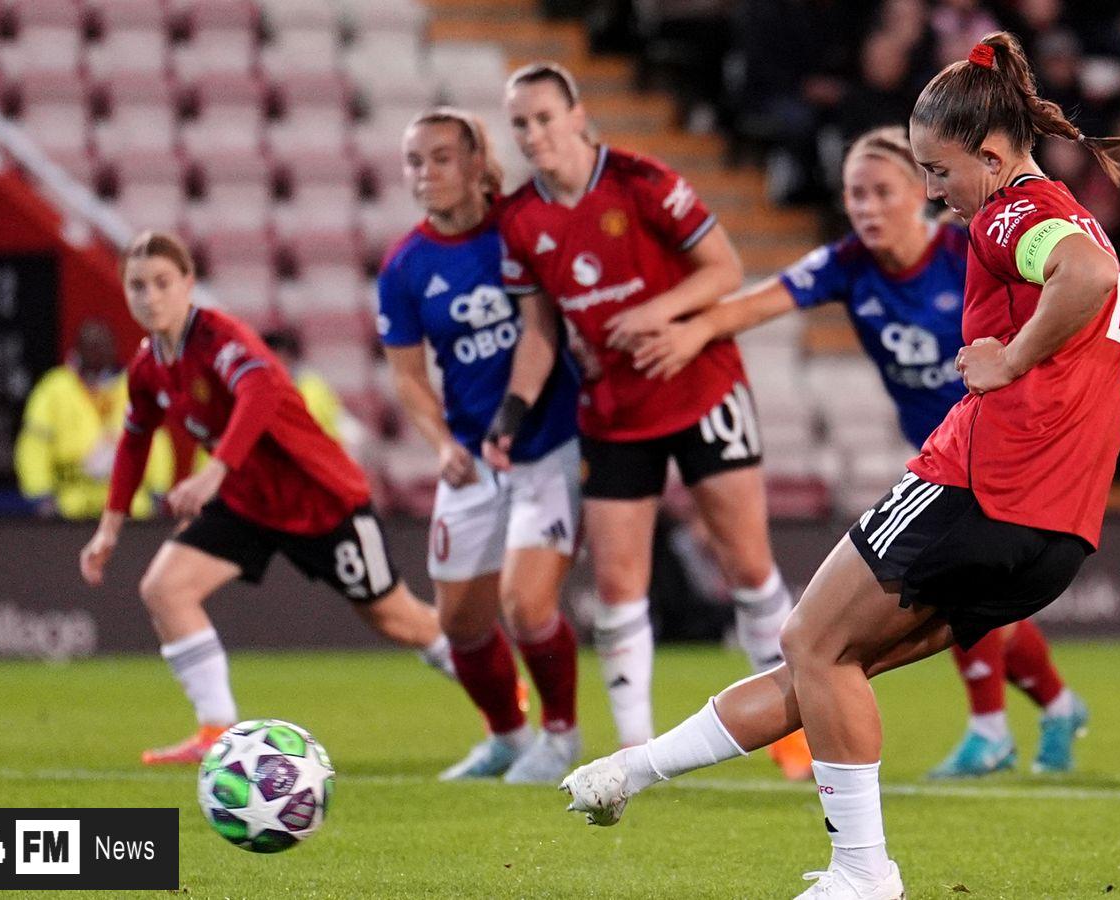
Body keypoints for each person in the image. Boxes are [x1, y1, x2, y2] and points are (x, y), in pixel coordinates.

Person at [562, 33, 1120, 899]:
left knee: (809, 642)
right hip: (1059, 529)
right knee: (825, 669)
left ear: (990, 156)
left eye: (936, 172)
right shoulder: (1049, 210)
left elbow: (1085, 274)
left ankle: (863, 873)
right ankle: (631, 772)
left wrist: (1012, 358)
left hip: (980, 481)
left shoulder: (1011, 212)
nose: (932, 191)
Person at [634, 124, 1090, 780]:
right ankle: (1056, 705)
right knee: (979, 598)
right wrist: (694, 329)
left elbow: (1066, 293)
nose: (867, 208)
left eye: (882, 191)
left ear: (920, 192)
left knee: (960, 582)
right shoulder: (849, 264)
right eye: (855, 194)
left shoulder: (968, 249)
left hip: (1005, 451)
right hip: (942, 454)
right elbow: (761, 303)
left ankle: (991, 728)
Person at [488, 61, 810, 777]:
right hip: (613, 409)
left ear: (577, 117)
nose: (534, 134)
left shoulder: (642, 181)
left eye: (544, 118)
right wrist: (512, 411)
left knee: (747, 564)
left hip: (701, 385)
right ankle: (634, 750)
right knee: (617, 583)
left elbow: (725, 269)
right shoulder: (519, 220)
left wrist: (656, 313)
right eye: (520, 124)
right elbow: (538, 332)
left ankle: (793, 729)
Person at [78, 231, 455, 766]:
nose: (151, 297)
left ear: (188, 283)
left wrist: (215, 472)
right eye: (137, 286)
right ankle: (215, 731)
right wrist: (109, 528)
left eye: (162, 283)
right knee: (165, 589)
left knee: (397, 620)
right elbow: (135, 441)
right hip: (249, 501)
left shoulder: (220, 338)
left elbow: (260, 392)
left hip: (318, 498)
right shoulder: (146, 366)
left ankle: (496, 684)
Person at [379, 108, 585, 784]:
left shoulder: (518, 229)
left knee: (526, 604)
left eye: (441, 158)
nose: (425, 173)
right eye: (414, 161)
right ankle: (508, 737)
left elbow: (552, 325)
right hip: (471, 457)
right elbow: (408, 377)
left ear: (474, 163)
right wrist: (441, 443)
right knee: (460, 623)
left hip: (547, 445)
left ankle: (561, 737)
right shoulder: (404, 266)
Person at [15, 319, 173, 519]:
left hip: (131, 502)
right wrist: (40, 496)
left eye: (104, 345)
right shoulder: (54, 388)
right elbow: (34, 445)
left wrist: (158, 492)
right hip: (71, 502)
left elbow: (157, 440)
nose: (98, 351)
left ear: (114, 348)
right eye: (91, 345)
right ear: (77, 349)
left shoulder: (135, 385)